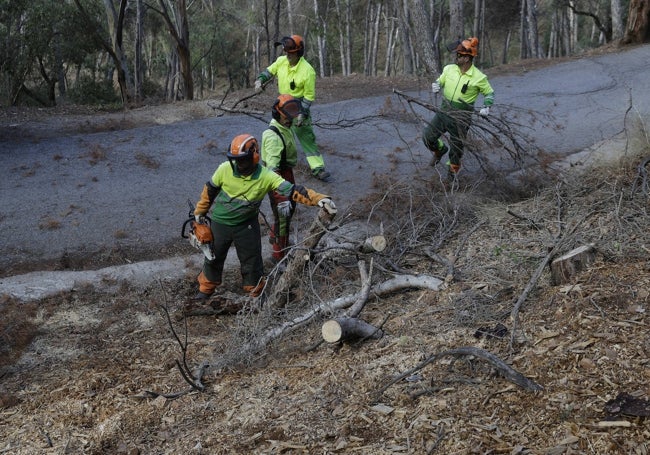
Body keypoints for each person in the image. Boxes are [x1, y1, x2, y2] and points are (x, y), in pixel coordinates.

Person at [192, 134, 336, 300]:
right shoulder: (225, 168)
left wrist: (319, 199)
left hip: (247, 225)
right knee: (212, 256)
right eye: (236, 160)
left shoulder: (266, 176)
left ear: (254, 157)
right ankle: (205, 289)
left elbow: (293, 191)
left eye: (243, 160)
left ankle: (255, 292)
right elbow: (209, 192)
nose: (239, 164)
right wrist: (199, 213)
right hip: (220, 223)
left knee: (252, 260)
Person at [254, 34, 331, 182]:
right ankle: (271, 166)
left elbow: (309, 96)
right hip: (282, 106)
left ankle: (318, 168)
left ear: (298, 52)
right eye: (286, 52)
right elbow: (268, 72)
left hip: (298, 107)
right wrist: (260, 80)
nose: (288, 55)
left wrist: (303, 113)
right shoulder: (281, 61)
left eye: (291, 52)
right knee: (274, 133)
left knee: (306, 137)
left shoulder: (308, 71)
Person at [422, 37, 494, 181]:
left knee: (456, 149)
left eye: (459, 55)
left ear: (467, 58)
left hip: (461, 117)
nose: (456, 57)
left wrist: (487, 106)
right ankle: (440, 150)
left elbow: (489, 93)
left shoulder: (479, 77)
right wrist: (436, 85)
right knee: (427, 137)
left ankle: (451, 177)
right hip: (444, 111)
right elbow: (440, 80)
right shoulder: (449, 69)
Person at [261, 94, 303, 262]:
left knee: (289, 210)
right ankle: (278, 255)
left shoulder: (285, 126)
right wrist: (281, 196)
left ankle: (276, 237)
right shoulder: (273, 136)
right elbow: (272, 172)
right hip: (277, 179)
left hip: (287, 173)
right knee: (283, 216)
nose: (291, 118)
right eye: (288, 114)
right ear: (278, 113)